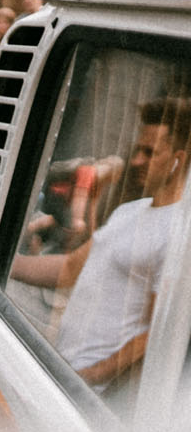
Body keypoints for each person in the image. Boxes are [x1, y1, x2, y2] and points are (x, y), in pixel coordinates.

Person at [11, 96, 191, 392]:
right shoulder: (130, 211)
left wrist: (93, 376)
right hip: (67, 374)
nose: (136, 161)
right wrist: (7, 265)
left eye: (149, 153)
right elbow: (71, 267)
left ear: (178, 160)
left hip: (95, 394)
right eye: (137, 150)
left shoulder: (179, 230)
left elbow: (157, 331)